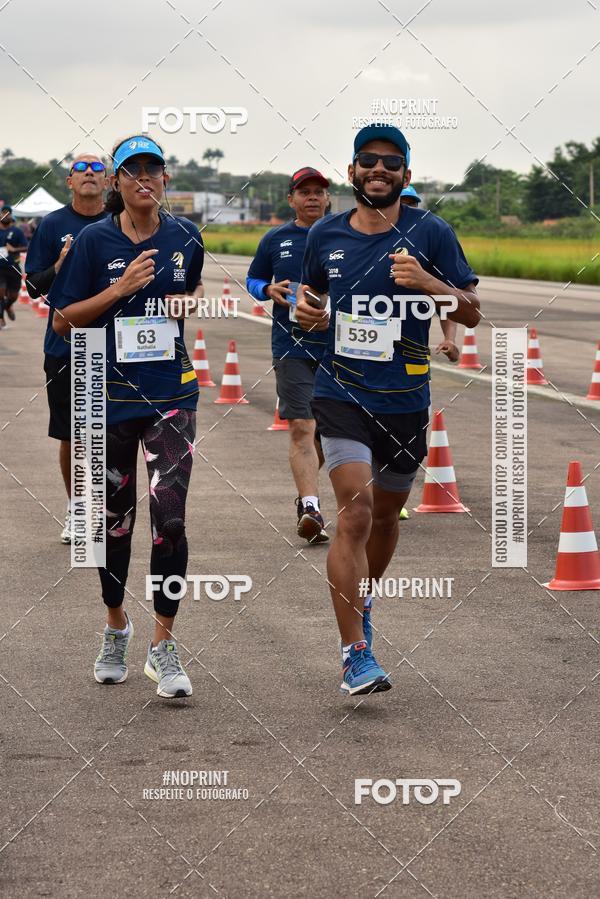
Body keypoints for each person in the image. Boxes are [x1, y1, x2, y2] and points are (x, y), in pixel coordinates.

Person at [296, 124, 480, 696]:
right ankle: (354, 653)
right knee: (354, 513)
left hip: (404, 399)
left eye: (390, 163)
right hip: (341, 392)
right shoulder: (324, 234)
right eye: (368, 161)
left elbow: (471, 313)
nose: (379, 170)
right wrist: (311, 318)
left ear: (406, 172)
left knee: (383, 517)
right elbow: (313, 302)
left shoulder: (433, 232)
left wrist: (428, 281)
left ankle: (365, 598)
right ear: (351, 172)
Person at [50, 135, 204, 699]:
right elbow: (64, 321)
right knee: (112, 522)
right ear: (117, 182)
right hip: (104, 392)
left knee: (172, 520)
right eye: (131, 170)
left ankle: (163, 646)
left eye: (153, 169)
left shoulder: (186, 236)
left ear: (165, 179)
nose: (144, 177)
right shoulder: (93, 241)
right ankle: (116, 624)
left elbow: (191, 288)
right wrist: (120, 289)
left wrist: (185, 303)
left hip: (171, 393)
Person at [26, 154, 109, 544]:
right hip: (68, 342)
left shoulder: (120, 221)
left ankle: (110, 509)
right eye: (81, 169)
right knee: (75, 434)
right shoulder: (53, 225)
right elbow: (32, 286)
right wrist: (59, 266)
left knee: (115, 432)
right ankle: (79, 510)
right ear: (69, 182)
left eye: (96, 169)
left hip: (118, 345)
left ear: (109, 181)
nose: (89, 173)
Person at [246, 167, 330, 544]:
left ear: (328, 198)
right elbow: (251, 279)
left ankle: (307, 491)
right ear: (291, 199)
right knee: (302, 427)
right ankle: (310, 506)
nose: (312, 197)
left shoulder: (344, 233)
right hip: (292, 345)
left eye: (319, 192)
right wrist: (267, 288)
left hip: (339, 348)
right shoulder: (275, 238)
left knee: (330, 435)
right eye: (304, 192)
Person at [0, 205, 28, 328]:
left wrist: (14, 249)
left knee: (13, 296)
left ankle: (8, 306)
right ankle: (1, 319)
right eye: (3, 213)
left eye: (8, 213)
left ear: (11, 216)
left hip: (13, 266)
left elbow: (26, 247)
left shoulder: (17, 231)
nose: (5, 215)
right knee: (0, 293)